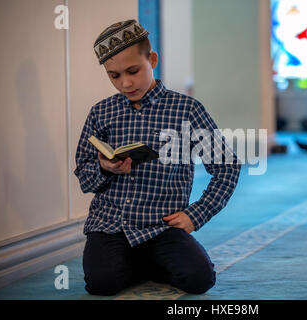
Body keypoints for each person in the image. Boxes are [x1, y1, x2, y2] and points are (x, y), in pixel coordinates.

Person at [74, 20, 241, 296]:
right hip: (111, 224)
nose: (125, 83)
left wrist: (196, 214)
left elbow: (227, 166)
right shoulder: (101, 112)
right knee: (101, 284)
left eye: (133, 71)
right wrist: (104, 168)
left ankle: (146, 260)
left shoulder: (186, 109)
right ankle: (139, 262)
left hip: (162, 226)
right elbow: (84, 176)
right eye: (114, 76)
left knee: (199, 279)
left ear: (152, 59)